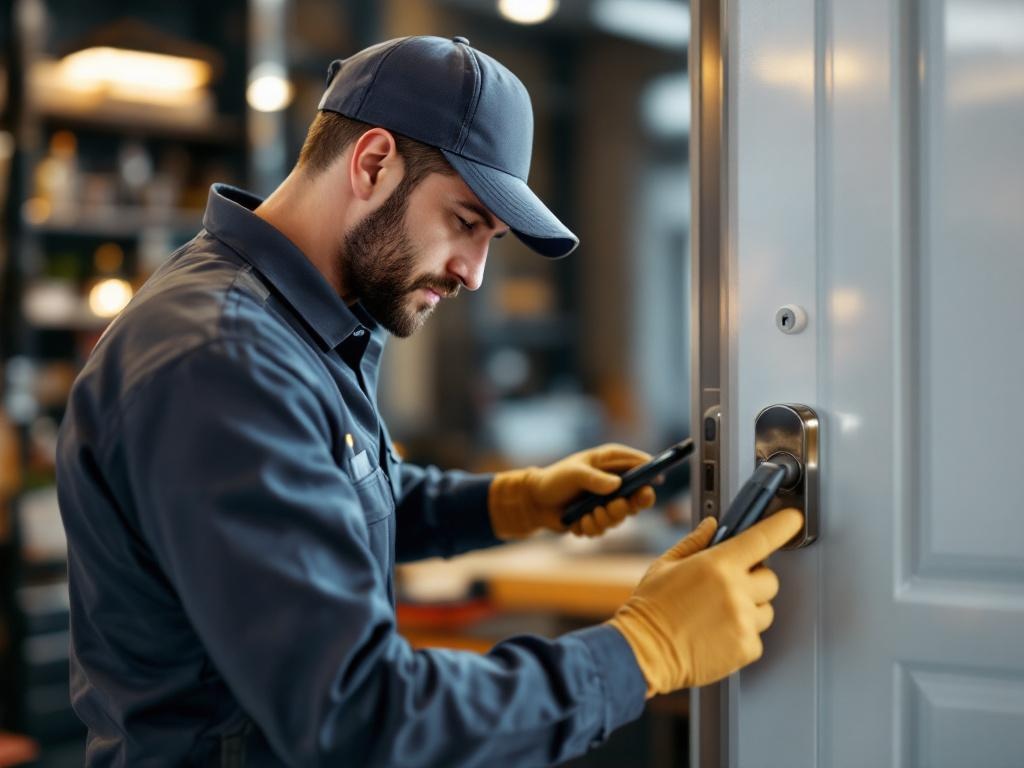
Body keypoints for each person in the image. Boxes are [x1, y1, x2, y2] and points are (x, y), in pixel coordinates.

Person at [56, 35, 803, 766]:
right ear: (374, 162)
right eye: (466, 222)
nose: (475, 273)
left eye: (491, 237)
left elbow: (315, 505)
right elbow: (359, 714)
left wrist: (509, 503)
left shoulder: (285, 325)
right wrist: (644, 650)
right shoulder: (223, 360)